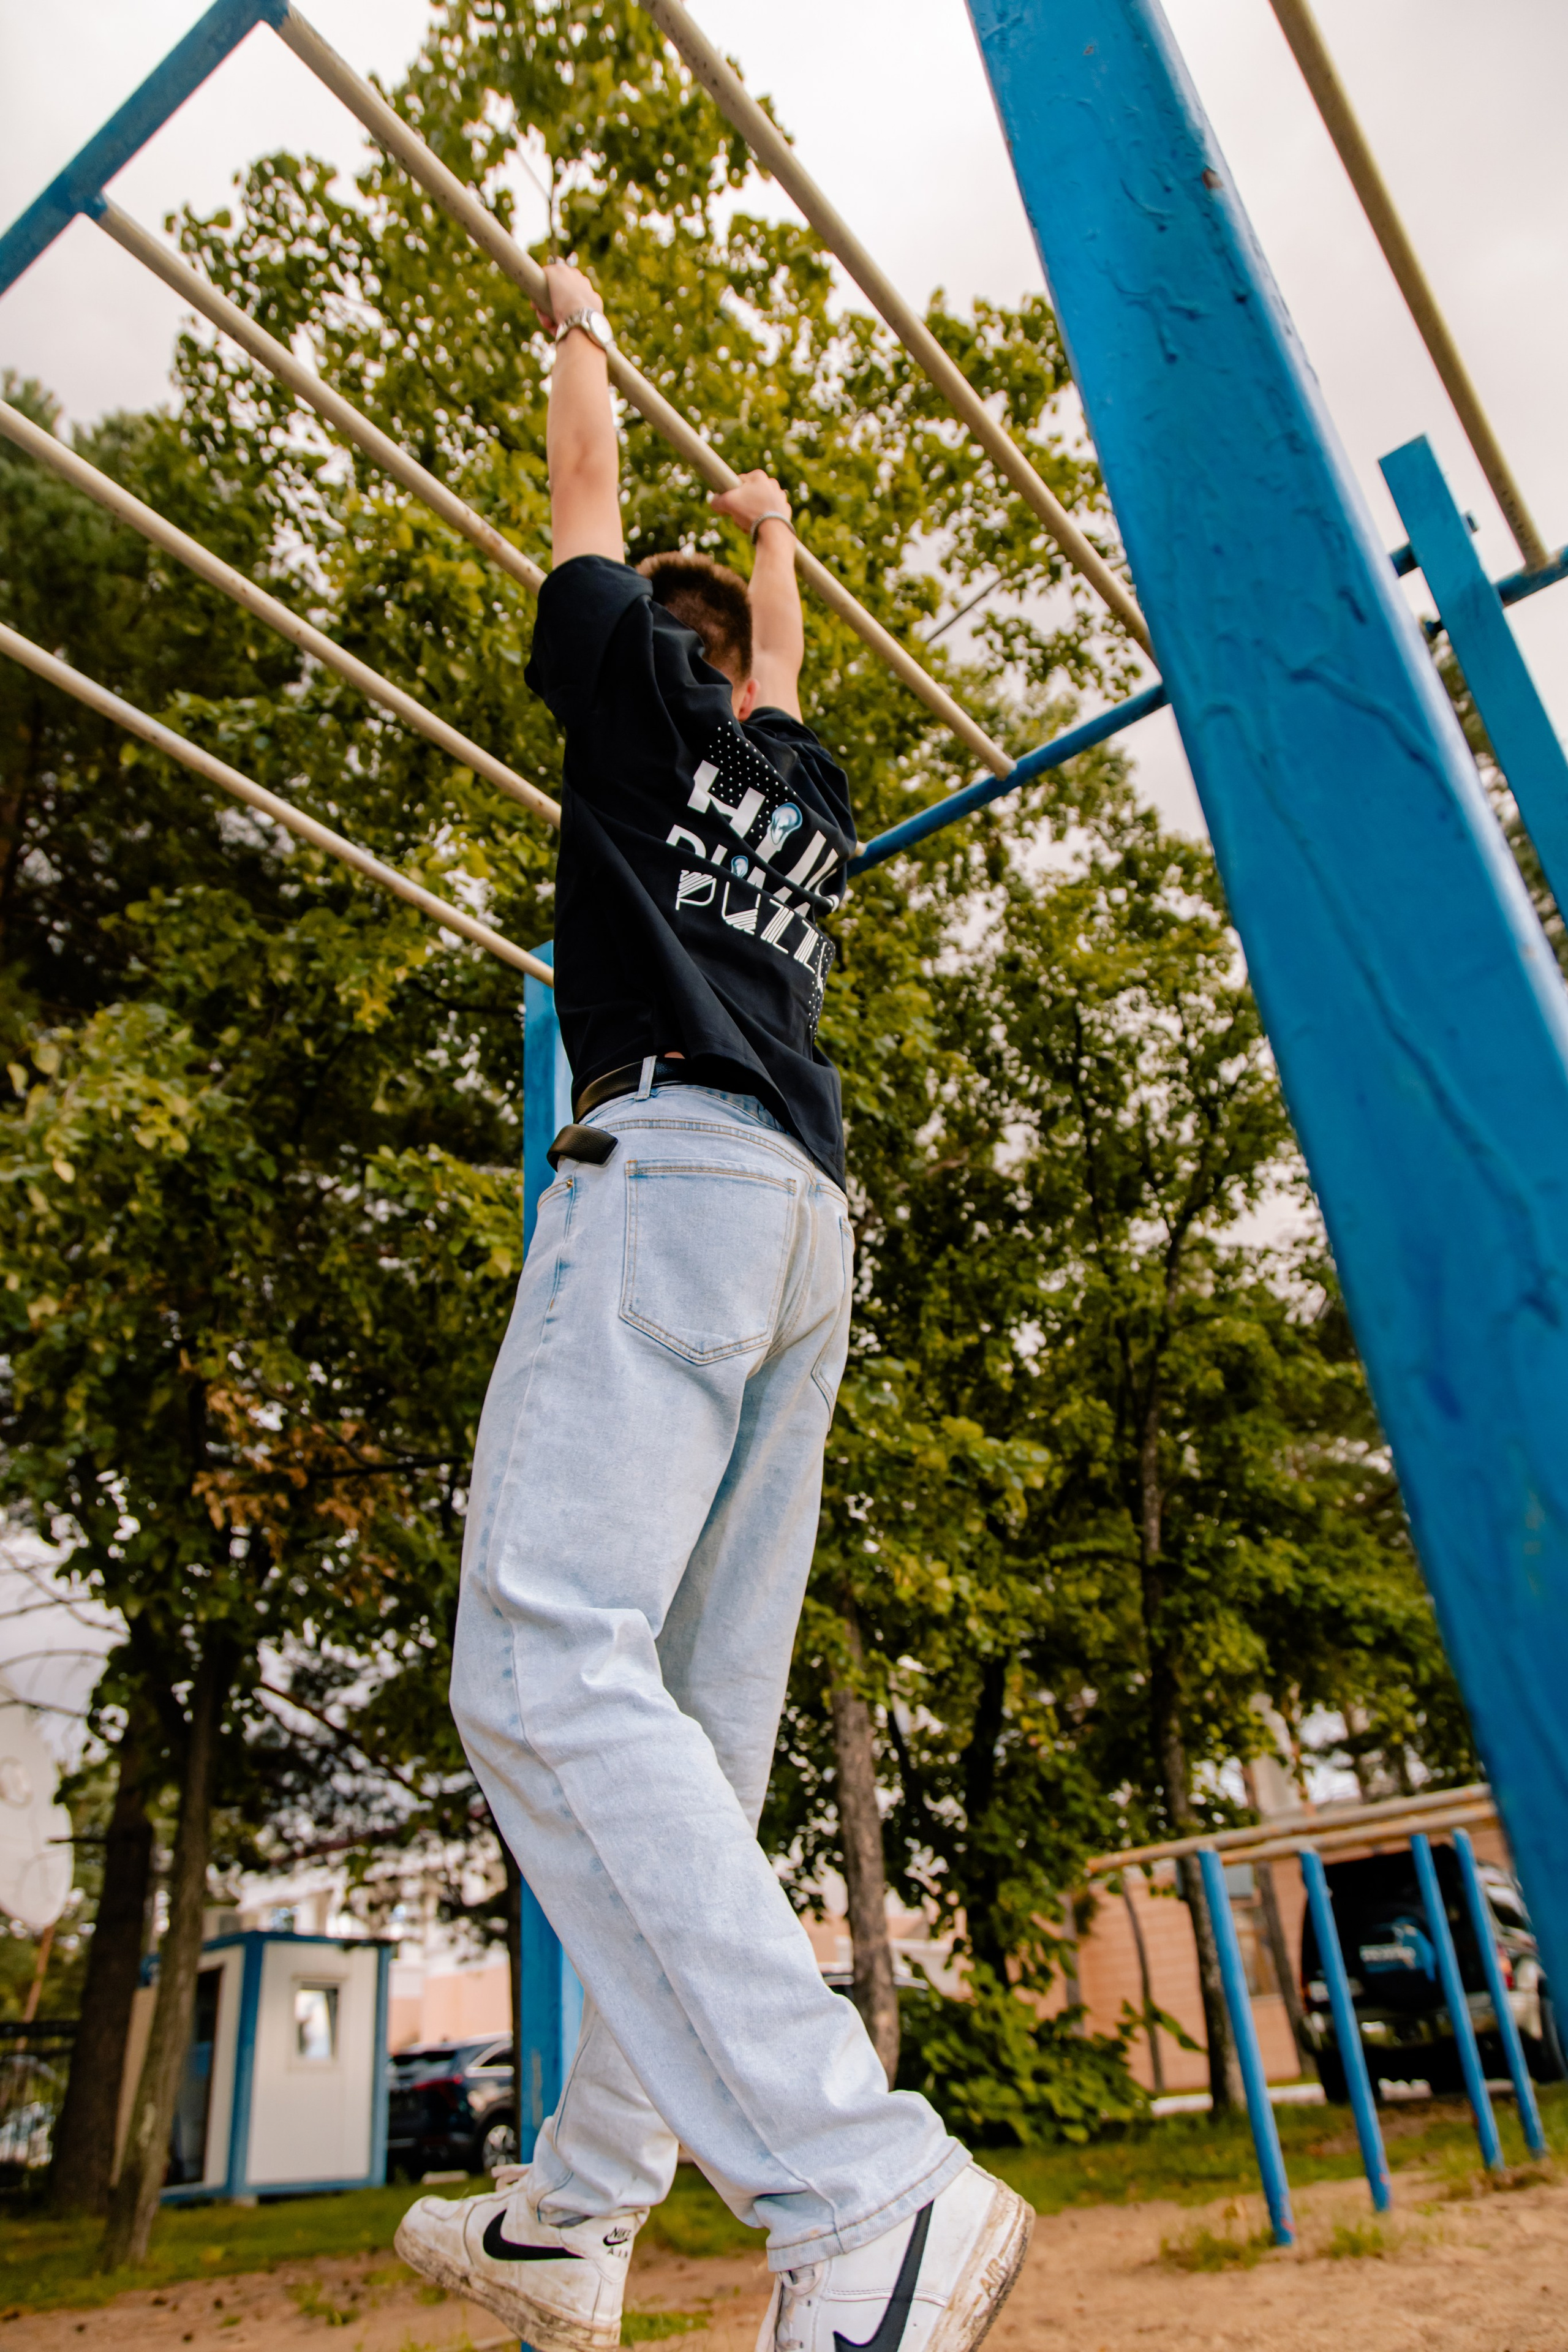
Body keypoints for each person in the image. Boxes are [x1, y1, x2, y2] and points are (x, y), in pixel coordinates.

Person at [395, 261, 1031, 2352]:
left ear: (648, 657)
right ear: (744, 657)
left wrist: (576, 326)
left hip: (670, 1182)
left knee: (540, 1658)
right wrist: (767, 534)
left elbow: (577, 502)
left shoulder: (628, 699)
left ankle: (863, 2187)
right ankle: (583, 2207)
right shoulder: (793, 793)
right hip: (804, 1233)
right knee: (690, 1729)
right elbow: (780, 663)